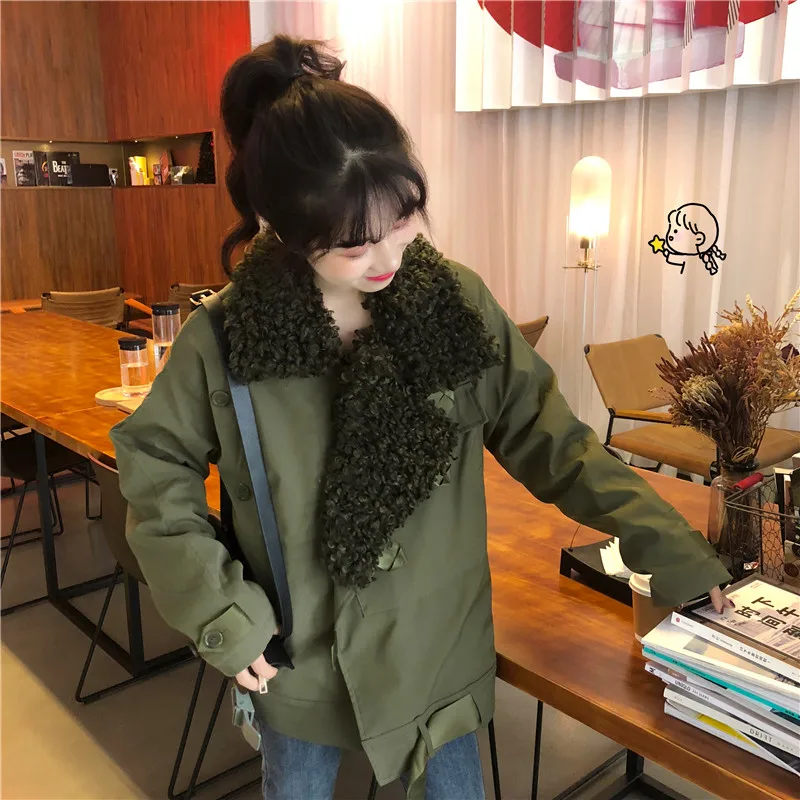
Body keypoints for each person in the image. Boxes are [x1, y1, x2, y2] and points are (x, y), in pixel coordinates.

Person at [110, 35, 732, 800]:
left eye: (403, 217)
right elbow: (154, 469)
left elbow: (557, 445)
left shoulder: (452, 305)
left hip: (438, 652)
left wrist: (675, 554)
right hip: (298, 661)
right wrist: (221, 612)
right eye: (354, 243)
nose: (388, 258)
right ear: (288, 227)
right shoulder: (229, 336)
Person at [661, 202, 727, 275]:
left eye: (676, 231)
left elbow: (671, 258)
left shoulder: (688, 258)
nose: (670, 236)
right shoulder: (703, 258)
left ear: (698, 239)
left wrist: (663, 249)